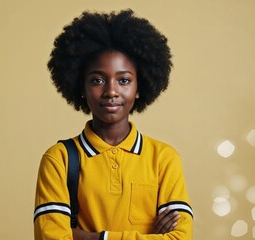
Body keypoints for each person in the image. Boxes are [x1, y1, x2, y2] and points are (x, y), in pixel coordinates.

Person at [34, 9, 193, 240]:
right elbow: (51, 238)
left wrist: (88, 237)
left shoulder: (164, 159)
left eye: (124, 80)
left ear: (140, 87)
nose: (111, 91)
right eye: (97, 80)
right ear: (81, 87)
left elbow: (181, 237)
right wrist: (148, 236)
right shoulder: (59, 159)